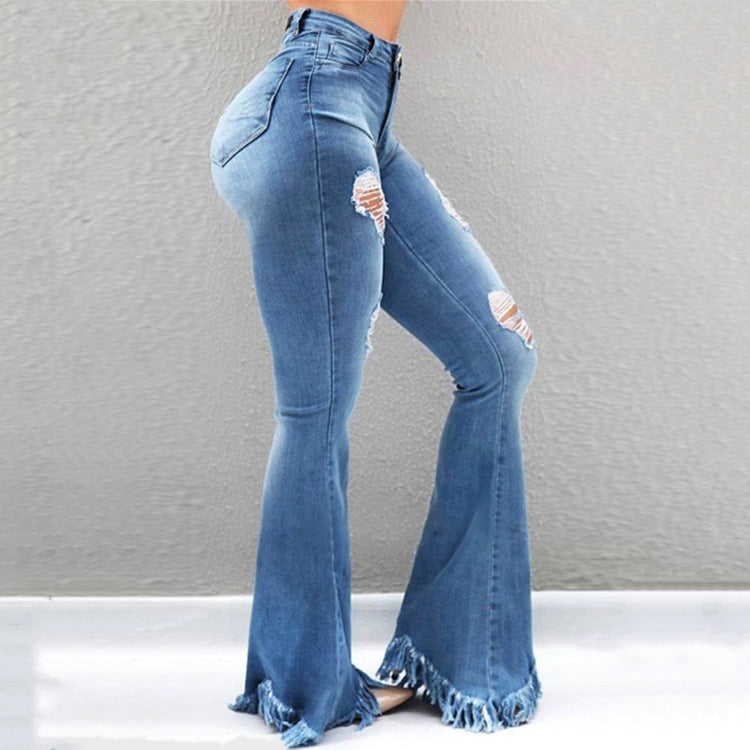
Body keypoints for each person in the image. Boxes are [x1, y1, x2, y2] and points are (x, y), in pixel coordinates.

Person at [209, 2, 542, 747]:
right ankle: (304, 685)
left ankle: (455, 656)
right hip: (313, 104)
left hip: (363, 109)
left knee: (500, 355)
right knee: (316, 410)